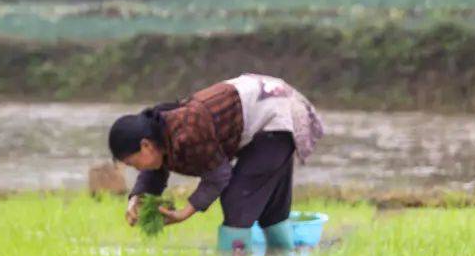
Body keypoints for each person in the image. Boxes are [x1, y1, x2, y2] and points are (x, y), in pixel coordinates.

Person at [107, 74, 324, 246]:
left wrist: (183, 213)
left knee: (237, 201)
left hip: (276, 115)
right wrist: (136, 198)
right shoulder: (160, 131)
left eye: (132, 163)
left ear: (145, 145)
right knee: (271, 210)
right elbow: (156, 168)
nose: (135, 168)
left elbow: (218, 175)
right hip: (270, 108)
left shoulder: (187, 131)